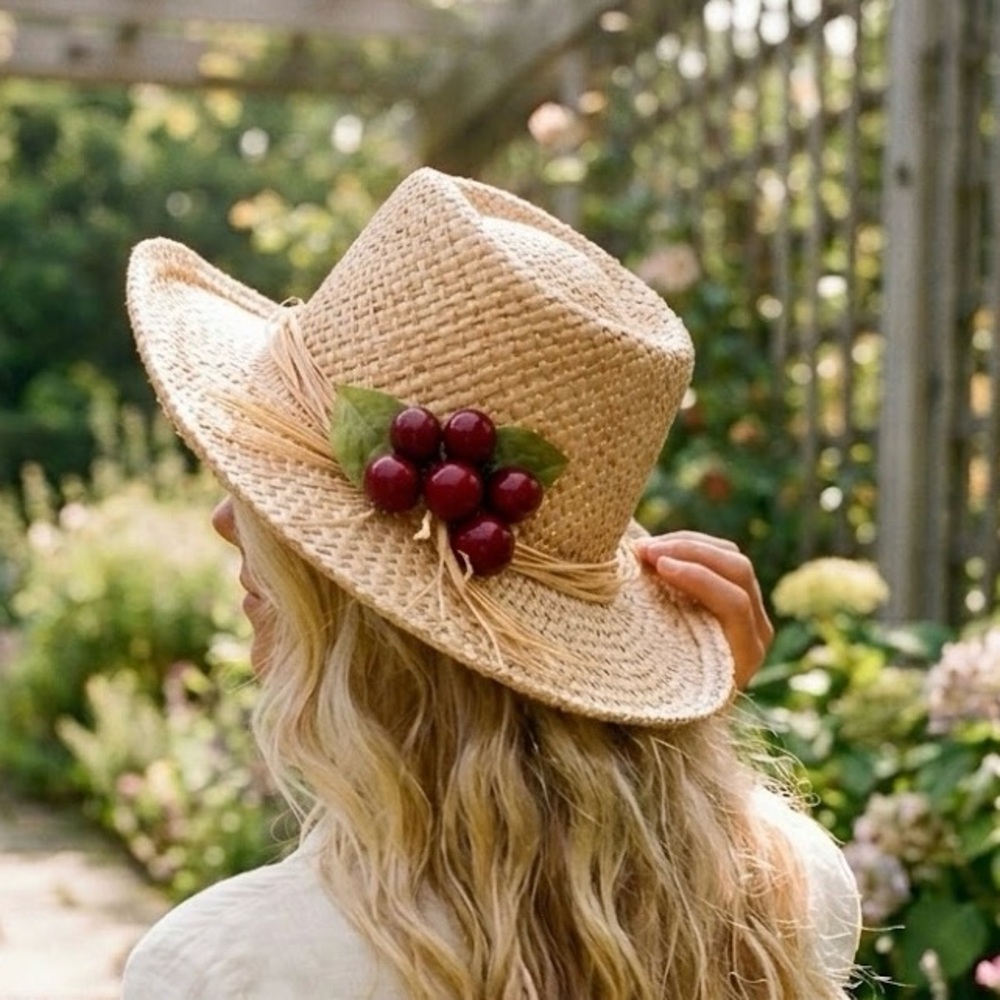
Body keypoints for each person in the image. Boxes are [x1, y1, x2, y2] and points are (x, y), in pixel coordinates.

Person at [121, 167, 861, 999]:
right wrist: (694, 764)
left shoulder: (226, 968)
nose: (226, 519)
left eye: (267, 493)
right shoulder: (790, 892)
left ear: (364, 598)